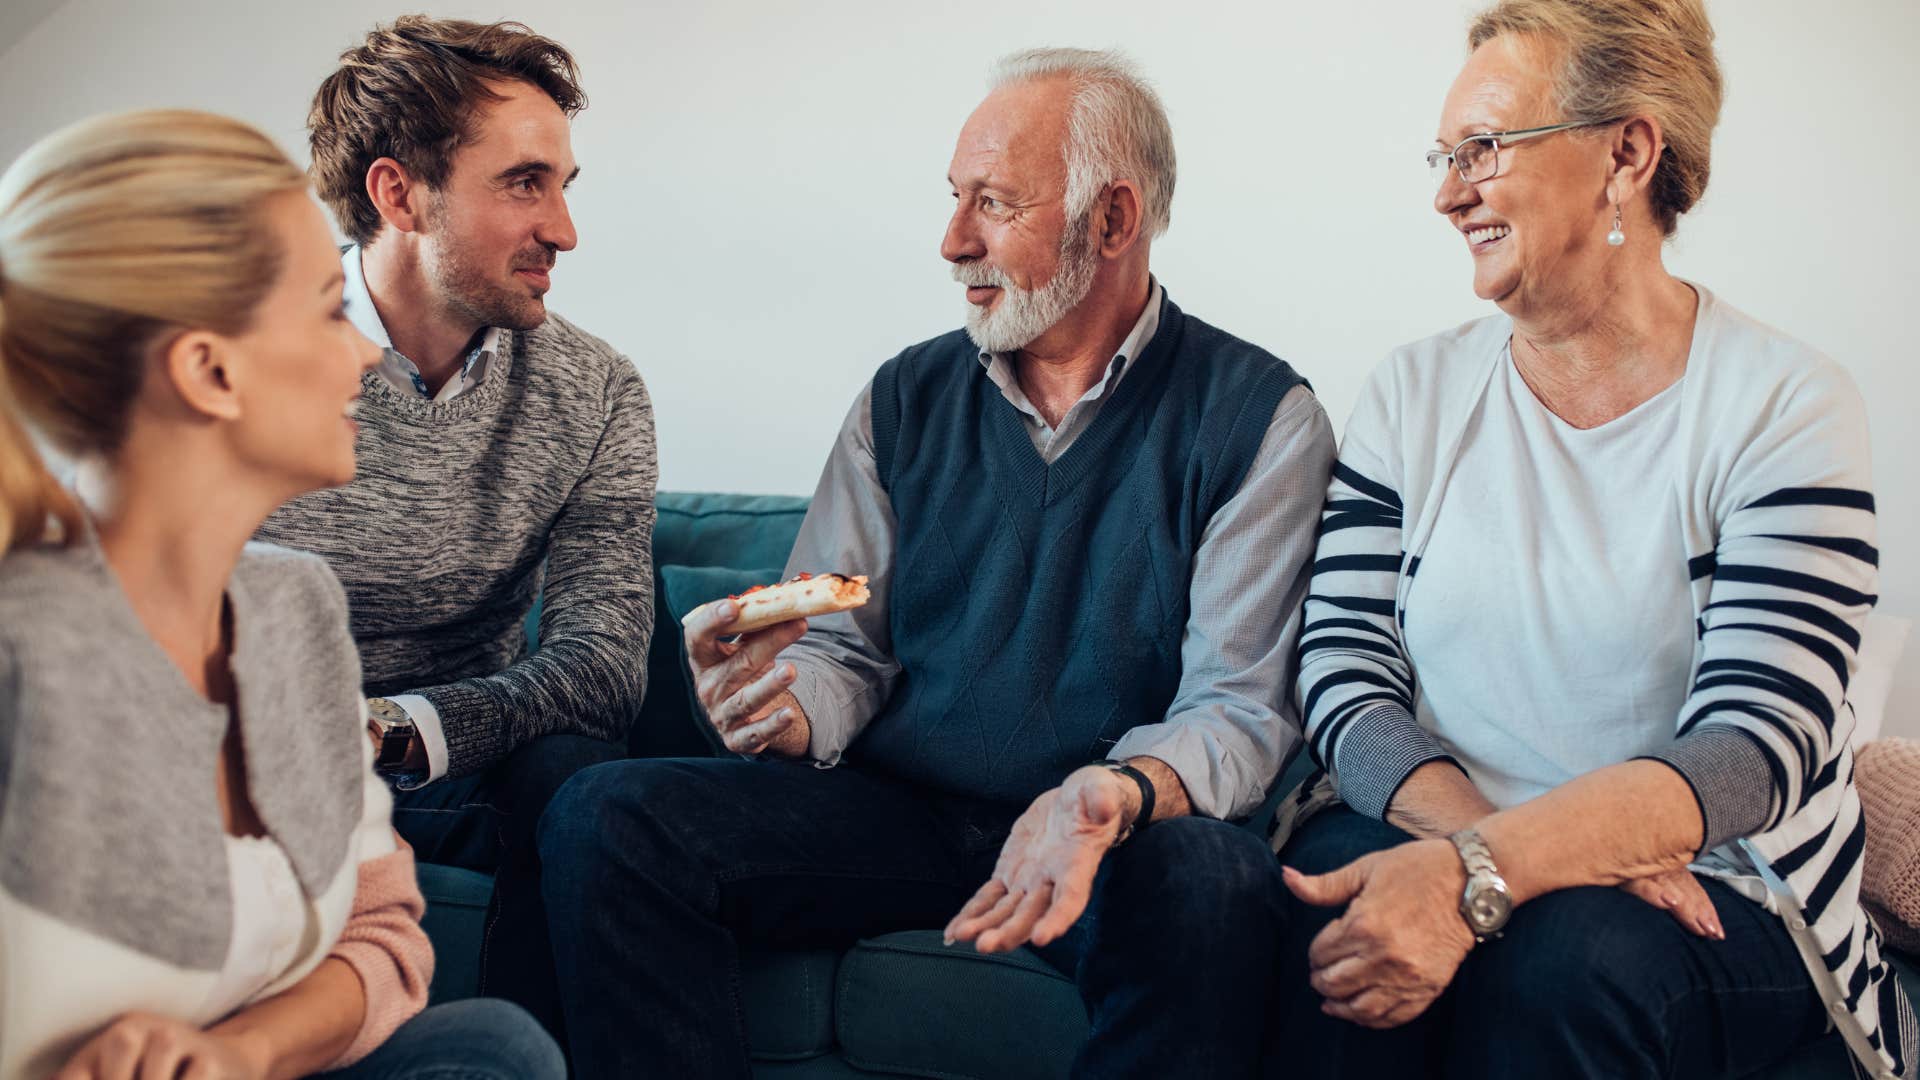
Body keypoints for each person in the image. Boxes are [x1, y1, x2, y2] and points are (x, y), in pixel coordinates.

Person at [539, 48, 1336, 1079]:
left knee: (1213, 887)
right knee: (604, 816)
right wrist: (783, 708)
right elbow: (841, 651)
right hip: (899, 815)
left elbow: (1236, 709)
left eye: (994, 204)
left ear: (1114, 220)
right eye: (956, 198)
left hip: (1109, 829)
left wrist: (1109, 797)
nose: (953, 240)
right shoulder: (900, 400)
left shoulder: (1261, 419)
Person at [1274, 2, 1916, 1076]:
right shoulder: (1412, 394)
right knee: (1327, 922)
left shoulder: (1787, 405)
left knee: (1565, 961)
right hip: (1435, 825)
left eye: (1482, 149)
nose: (1446, 193)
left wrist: (1506, 872)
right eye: (1443, 156)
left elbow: (1755, 745)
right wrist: (1485, 855)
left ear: (1626, 154)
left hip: (1713, 886)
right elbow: (1343, 667)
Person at [0, 110, 562, 1080]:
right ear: (209, 371)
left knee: (493, 1046)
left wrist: (233, 1053)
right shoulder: (27, 654)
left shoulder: (289, 609)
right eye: (323, 307)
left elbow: (384, 934)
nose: (367, 353)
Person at [254, 16, 657, 1037]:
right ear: (398, 193)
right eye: (525, 184)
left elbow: (606, 663)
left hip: (446, 770)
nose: (564, 229)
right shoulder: (238, 359)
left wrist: (405, 732)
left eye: (565, 185)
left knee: (586, 777)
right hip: (248, 755)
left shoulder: (595, 390)